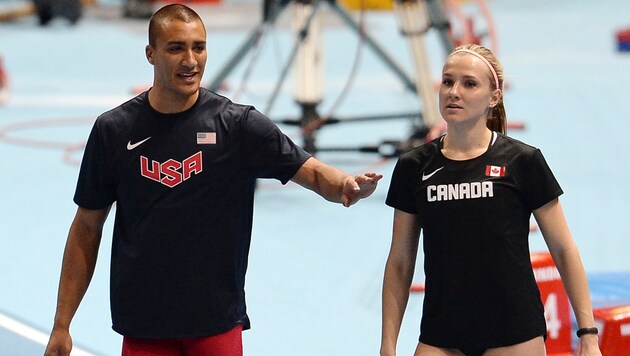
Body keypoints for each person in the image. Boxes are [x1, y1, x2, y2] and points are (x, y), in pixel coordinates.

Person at [44, 4, 382, 355]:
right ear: (150, 53)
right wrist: (61, 324)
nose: (190, 60)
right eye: (176, 48)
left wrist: (344, 184)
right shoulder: (114, 131)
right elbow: (86, 227)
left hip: (215, 322)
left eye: (199, 47)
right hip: (145, 323)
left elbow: (307, 169)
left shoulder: (237, 126)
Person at [380, 43, 601, 356]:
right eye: (447, 81)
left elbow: (564, 250)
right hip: (442, 335)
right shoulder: (414, 167)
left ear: (494, 97)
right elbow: (401, 261)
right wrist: (387, 345)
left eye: (469, 84)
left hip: (514, 335)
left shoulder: (522, 161)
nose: (454, 91)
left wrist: (588, 335)